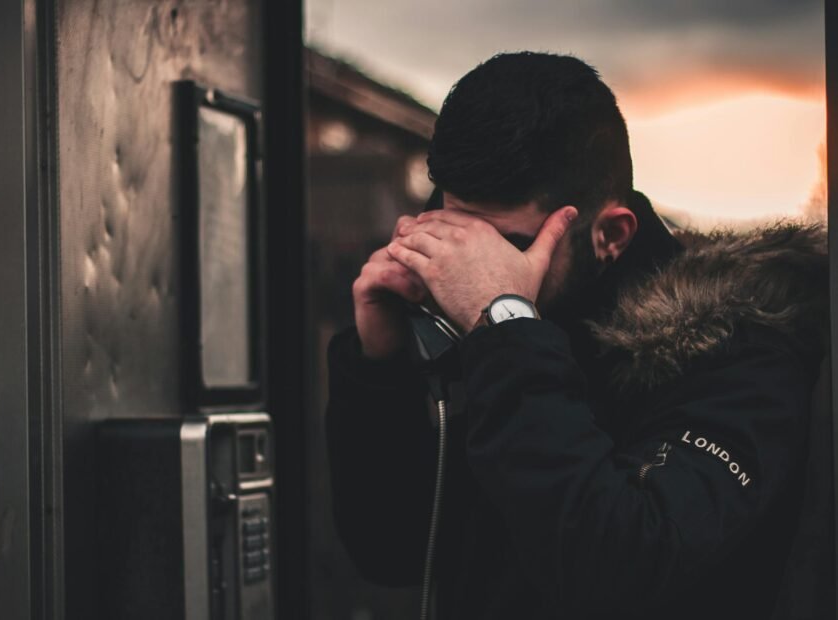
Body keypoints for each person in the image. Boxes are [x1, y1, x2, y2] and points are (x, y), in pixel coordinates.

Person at [324, 52, 829, 619]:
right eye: (460, 234)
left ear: (610, 235)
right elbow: (391, 555)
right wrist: (380, 364)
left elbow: (621, 568)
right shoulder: (490, 339)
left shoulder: (737, 351)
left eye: (507, 245)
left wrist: (507, 326)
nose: (472, 269)